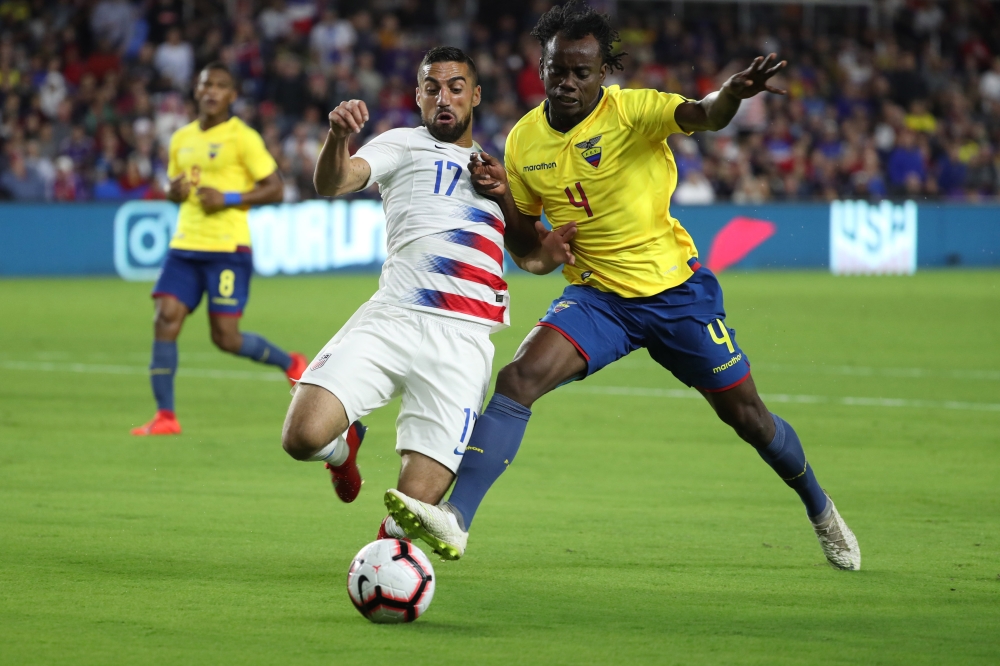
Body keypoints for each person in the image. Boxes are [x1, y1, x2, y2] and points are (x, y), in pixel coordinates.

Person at [385, 1, 861, 571]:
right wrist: (504, 198)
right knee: (518, 378)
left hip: (674, 294)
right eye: (558, 69)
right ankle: (457, 520)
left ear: (603, 74)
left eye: (582, 73)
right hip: (597, 299)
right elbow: (523, 241)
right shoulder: (523, 142)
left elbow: (705, 114)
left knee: (749, 418)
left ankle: (820, 508)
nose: (567, 83)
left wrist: (732, 94)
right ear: (542, 66)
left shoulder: (635, 112)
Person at [280, 47, 575, 538]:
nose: (444, 97)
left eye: (456, 87)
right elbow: (334, 181)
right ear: (418, 96)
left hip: (462, 343)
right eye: (432, 88)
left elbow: (531, 257)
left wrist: (549, 246)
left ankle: (385, 570)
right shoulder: (401, 144)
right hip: (392, 317)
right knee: (301, 437)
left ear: (474, 95)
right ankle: (341, 446)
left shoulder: (498, 171)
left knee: (412, 511)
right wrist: (338, 138)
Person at [131, 62, 307, 436]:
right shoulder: (180, 139)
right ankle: (166, 416)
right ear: (196, 90)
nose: (211, 90)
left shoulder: (242, 137)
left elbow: (275, 188)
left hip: (228, 248)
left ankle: (291, 362)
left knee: (225, 337)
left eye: (220, 85)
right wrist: (172, 193)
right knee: (165, 318)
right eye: (205, 83)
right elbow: (174, 188)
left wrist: (227, 197)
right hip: (184, 246)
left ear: (231, 95)